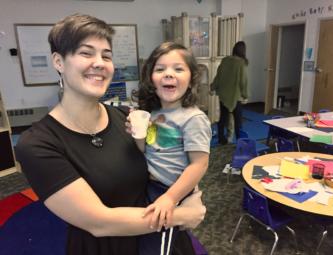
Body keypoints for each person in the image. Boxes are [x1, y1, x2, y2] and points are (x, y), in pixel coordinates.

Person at [15, 14, 206, 255]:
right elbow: (99, 222)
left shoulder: (127, 117)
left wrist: (190, 189)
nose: (100, 63)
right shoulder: (38, 144)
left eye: (106, 55)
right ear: (58, 61)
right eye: (86, 53)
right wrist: (181, 214)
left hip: (161, 241)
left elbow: (172, 160)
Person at [128, 42, 211, 255]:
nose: (168, 74)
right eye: (160, 69)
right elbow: (145, 152)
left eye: (178, 68)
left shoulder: (193, 118)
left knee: (157, 248)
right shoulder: (153, 113)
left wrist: (171, 197)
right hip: (150, 185)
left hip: (171, 189)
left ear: (191, 78)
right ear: (151, 78)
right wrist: (137, 134)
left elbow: (199, 164)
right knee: (152, 240)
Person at [211, 41, 248, 145]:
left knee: (223, 119)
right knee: (238, 121)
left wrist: (212, 87)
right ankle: (240, 141)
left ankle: (222, 139)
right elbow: (243, 81)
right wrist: (245, 95)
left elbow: (218, 76)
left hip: (223, 95)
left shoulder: (225, 60)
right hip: (236, 97)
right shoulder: (241, 63)